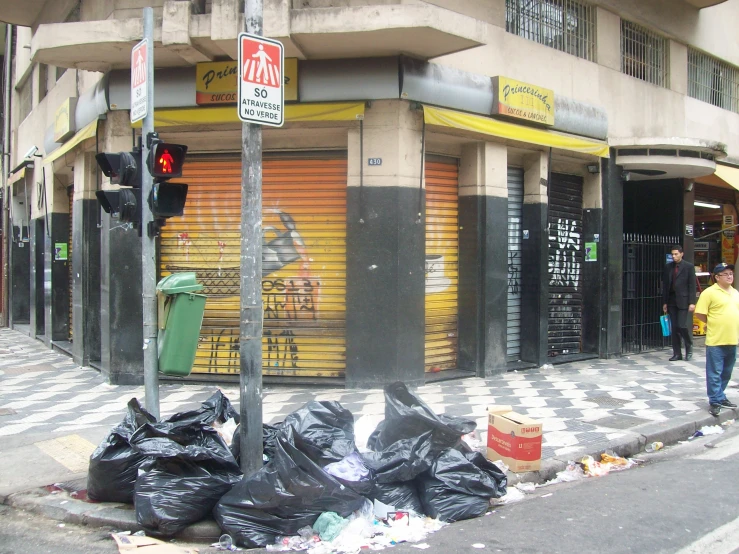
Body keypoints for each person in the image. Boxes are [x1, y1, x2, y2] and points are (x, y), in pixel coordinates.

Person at [694, 262, 739, 417]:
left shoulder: (735, 292)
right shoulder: (710, 292)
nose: (729, 276)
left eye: (731, 274)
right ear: (717, 277)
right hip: (716, 340)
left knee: (726, 372)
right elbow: (700, 313)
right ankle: (714, 400)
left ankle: (720, 396)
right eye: (725, 274)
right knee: (715, 372)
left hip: (732, 339)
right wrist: (711, 322)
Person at [661, 245, 697, 361]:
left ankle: (688, 345)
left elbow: (692, 285)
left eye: (676, 254)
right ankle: (677, 353)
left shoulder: (688, 267)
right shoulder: (668, 267)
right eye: (672, 254)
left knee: (682, 325)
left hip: (684, 300)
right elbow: (666, 285)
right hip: (671, 300)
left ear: (682, 253)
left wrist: (692, 302)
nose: (674, 256)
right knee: (675, 327)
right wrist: (665, 302)